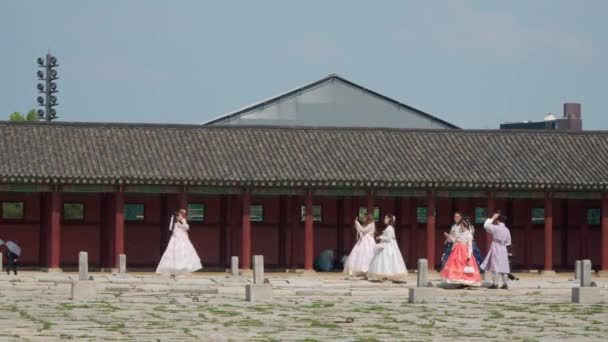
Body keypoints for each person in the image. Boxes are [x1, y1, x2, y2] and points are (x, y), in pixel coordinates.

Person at [156, 209, 203, 276]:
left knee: (183, 253)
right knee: (172, 254)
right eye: (179, 215)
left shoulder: (183, 221)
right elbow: (170, 228)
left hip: (183, 240)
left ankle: (184, 269)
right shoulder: (175, 223)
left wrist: (182, 221)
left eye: (181, 215)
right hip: (175, 240)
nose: (179, 216)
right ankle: (172, 269)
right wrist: (174, 220)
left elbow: (186, 228)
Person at [440, 218, 481, 286]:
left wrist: (469, 255)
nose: (460, 226)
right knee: (456, 264)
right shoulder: (460, 233)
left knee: (463, 265)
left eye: (461, 225)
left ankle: (465, 281)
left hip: (464, 251)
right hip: (456, 250)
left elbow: (470, 246)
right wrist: (449, 236)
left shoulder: (469, 234)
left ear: (464, 225)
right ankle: (458, 280)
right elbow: (455, 240)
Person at [367, 214, 408, 282]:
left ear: (389, 219)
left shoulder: (390, 228)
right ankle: (385, 275)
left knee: (387, 260)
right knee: (385, 261)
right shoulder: (389, 227)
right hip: (387, 245)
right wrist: (381, 236)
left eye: (385, 218)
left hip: (389, 246)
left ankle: (388, 275)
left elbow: (388, 239)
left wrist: (381, 237)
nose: (384, 219)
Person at [481, 211, 512, 289]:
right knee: (504, 266)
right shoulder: (507, 230)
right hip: (503, 248)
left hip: (496, 247)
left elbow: (486, 225)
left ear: (498, 221)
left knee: (495, 265)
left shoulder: (496, 227)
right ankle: (505, 284)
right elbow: (509, 242)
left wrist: (492, 218)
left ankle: (495, 284)